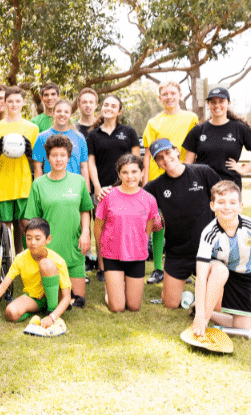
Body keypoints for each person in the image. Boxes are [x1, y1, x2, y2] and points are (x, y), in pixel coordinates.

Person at [144, 138, 221, 309]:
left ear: (177, 151)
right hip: (177, 253)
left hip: (209, 250)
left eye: (168, 153)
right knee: (170, 304)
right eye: (160, 157)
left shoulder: (203, 172)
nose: (166, 159)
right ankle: (183, 294)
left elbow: (224, 196)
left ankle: (209, 289)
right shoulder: (155, 187)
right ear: (157, 162)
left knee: (217, 306)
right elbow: (132, 196)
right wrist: (107, 191)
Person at [192, 181, 251, 337]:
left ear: (240, 206)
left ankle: (198, 309)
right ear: (212, 205)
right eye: (221, 202)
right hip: (215, 273)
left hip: (241, 276)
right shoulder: (209, 232)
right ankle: (203, 321)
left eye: (232, 202)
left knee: (245, 331)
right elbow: (201, 276)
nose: (227, 206)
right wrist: (202, 316)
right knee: (221, 270)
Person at [142, 81, 198, 284]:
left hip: (183, 176)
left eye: (172, 93)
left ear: (180, 95)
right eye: (164, 94)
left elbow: (193, 148)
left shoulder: (191, 118)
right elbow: (147, 156)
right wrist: (145, 182)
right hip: (159, 179)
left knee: (182, 222)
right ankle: (158, 268)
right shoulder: (154, 122)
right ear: (160, 98)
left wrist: (188, 172)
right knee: (158, 223)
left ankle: (185, 266)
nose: (169, 97)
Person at [26, 134, 93, 303]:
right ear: (47, 158)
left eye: (63, 155)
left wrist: (85, 232)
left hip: (73, 250)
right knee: (56, 300)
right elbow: (32, 221)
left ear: (69, 157)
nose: (58, 159)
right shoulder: (38, 184)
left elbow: (85, 210)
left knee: (78, 300)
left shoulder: (78, 181)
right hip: (49, 254)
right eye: (54, 155)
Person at [94, 155, 159, 312]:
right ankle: (110, 289)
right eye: (125, 172)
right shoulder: (108, 196)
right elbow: (97, 229)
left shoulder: (149, 199)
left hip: (136, 256)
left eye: (134, 171)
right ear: (119, 174)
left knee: (133, 306)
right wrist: (101, 257)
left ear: (142, 173)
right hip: (112, 255)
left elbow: (148, 229)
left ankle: (117, 286)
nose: (130, 176)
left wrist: (140, 246)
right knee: (117, 308)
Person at [87, 95, 140, 281]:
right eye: (106, 104)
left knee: (122, 228)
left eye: (113, 106)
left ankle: (125, 264)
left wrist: (133, 185)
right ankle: (102, 267)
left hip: (125, 189)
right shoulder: (93, 135)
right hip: (102, 190)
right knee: (100, 229)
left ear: (119, 111)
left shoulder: (129, 131)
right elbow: (91, 163)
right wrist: (97, 187)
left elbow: (136, 161)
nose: (109, 108)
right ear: (102, 108)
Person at [183, 87, 251, 189]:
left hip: (229, 188)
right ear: (208, 104)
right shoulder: (198, 130)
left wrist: (244, 169)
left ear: (228, 103)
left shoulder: (239, 128)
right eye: (213, 102)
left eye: (221, 101)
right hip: (202, 187)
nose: (217, 105)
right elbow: (188, 165)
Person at [0, 218, 72, 328]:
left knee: (46, 264)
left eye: (37, 238)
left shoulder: (58, 260)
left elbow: (67, 297)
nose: (32, 242)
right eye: (28, 238)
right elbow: (4, 285)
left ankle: (51, 311)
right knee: (10, 313)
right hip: (34, 298)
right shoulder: (20, 258)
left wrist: (52, 317)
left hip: (56, 296)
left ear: (48, 239)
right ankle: (38, 310)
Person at [0, 86, 38, 253]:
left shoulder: (32, 128)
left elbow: (35, 160)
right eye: (10, 101)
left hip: (24, 182)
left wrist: (31, 153)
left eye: (17, 101)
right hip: (2, 182)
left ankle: (25, 259)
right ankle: (4, 263)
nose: (14, 104)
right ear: (4, 102)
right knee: (4, 226)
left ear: (23, 102)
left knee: (25, 225)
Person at [33, 99, 90, 191]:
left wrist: (86, 192)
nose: (62, 114)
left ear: (71, 115)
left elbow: (83, 167)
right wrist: (38, 191)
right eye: (59, 111)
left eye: (66, 112)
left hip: (74, 189)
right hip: (50, 189)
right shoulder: (42, 137)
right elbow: (37, 167)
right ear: (53, 113)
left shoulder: (79, 138)